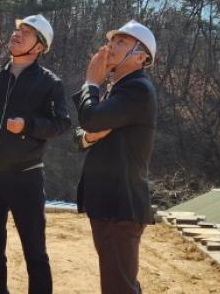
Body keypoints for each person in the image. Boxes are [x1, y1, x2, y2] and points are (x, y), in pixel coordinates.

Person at [0, 15, 71, 294]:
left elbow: (62, 123)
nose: (17, 34)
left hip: (26, 177)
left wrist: (28, 126)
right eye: (18, 29)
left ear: (39, 47)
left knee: (34, 251)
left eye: (27, 32)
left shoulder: (50, 83)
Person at [72, 20, 158, 294]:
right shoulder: (119, 88)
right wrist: (89, 136)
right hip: (112, 204)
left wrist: (90, 83)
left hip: (120, 205)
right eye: (112, 40)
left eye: (121, 42)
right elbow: (84, 131)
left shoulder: (137, 89)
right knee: (120, 283)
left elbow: (90, 118)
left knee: (118, 286)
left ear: (140, 57)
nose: (111, 46)